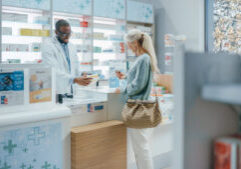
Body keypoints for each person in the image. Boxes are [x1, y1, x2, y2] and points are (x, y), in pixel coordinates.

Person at [116, 29, 160, 169]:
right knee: (140, 148)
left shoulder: (143, 59)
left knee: (141, 148)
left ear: (134, 43)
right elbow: (138, 79)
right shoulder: (143, 58)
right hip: (139, 106)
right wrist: (125, 77)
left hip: (138, 107)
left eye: (128, 44)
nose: (128, 46)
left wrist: (123, 90)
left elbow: (138, 85)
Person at [42, 19, 91, 94]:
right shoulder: (48, 45)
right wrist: (74, 80)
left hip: (72, 90)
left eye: (69, 34)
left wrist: (81, 74)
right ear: (56, 32)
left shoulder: (72, 46)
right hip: (57, 90)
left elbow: (74, 66)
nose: (67, 37)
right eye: (64, 34)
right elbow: (52, 70)